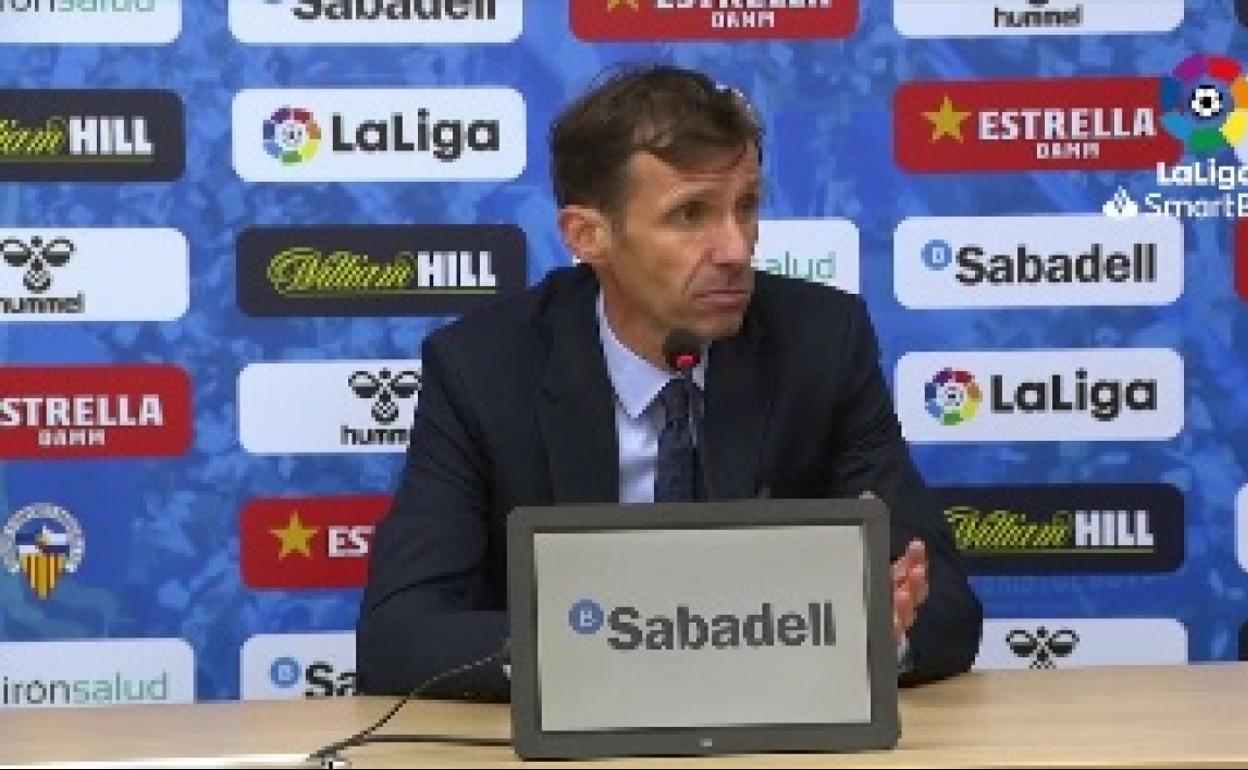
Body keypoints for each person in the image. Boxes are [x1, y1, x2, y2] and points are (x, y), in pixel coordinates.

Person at [358, 64, 983, 700]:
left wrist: (877, 634)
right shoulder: (483, 368)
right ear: (588, 236)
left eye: (746, 207)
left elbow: (943, 606)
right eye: (690, 214)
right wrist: (633, 646)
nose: (735, 249)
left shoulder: (820, 344)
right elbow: (398, 638)